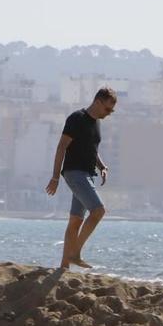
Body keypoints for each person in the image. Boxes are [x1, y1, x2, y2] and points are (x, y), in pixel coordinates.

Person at [45, 87, 118, 269]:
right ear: (98, 101)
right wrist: (55, 177)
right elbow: (61, 147)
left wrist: (102, 166)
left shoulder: (97, 123)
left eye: (112, 111)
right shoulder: (76, 118)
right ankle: (75, 253)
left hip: (88, 175)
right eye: (108, 109)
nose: (109, 114)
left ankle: (64, 267)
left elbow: (92, 150)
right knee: (98, 211)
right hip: (74, 173)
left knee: (76, 220)